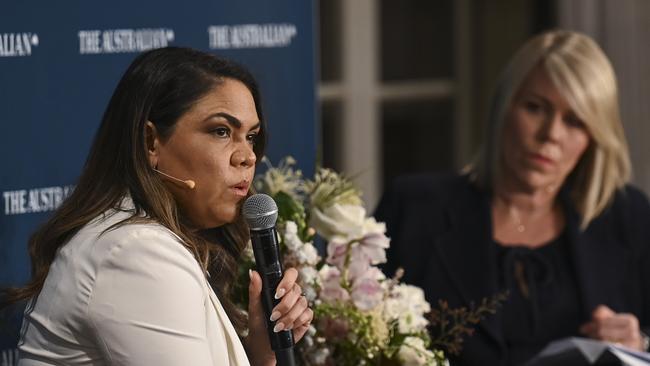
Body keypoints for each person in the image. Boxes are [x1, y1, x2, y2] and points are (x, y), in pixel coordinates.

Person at [1, 47, 313, 365]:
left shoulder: (138, 239)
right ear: (152, 142)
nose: (247, 156)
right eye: (221, 131)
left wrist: (260, 354)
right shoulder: (135, 253)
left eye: (251, 136)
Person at [376, 30, 650, 366]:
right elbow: (354, 338)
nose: (551, 134)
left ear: (594, 137)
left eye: (575, 121)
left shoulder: (628, 218)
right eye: (535, 108)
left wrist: (639, 344)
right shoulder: (415, 207)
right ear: (504, 107)